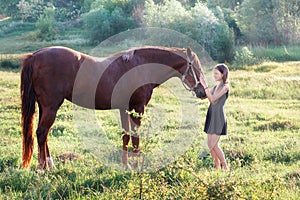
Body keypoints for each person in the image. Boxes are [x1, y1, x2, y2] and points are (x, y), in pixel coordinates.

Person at [199, 64, 230, 170]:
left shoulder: (225, 87)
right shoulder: (215, 87)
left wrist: (206, 86)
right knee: (209, 144)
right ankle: (217, 166)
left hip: (218, 117)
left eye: (216, 73)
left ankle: (225, 166)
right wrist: (200, 85)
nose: (214, 75)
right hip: (211, 115)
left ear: (223, 74)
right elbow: (204, 96)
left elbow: (213, 99)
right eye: (214, 74)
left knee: (214, 144)